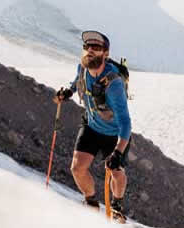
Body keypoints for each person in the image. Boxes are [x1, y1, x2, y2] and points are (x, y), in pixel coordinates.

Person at [54, 30, 131, 222]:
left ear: (105, 53)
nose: (90, 50)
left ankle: (117, 204)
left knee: (116, 170)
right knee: (77, 168)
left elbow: (125, 121)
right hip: (91, 125)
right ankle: (91, 203)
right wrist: (68, 92)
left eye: (96, 47)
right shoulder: (82, 68)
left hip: (114, 134)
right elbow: (77, 82)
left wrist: (118, 153)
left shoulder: (113, 84)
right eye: (87, 47)